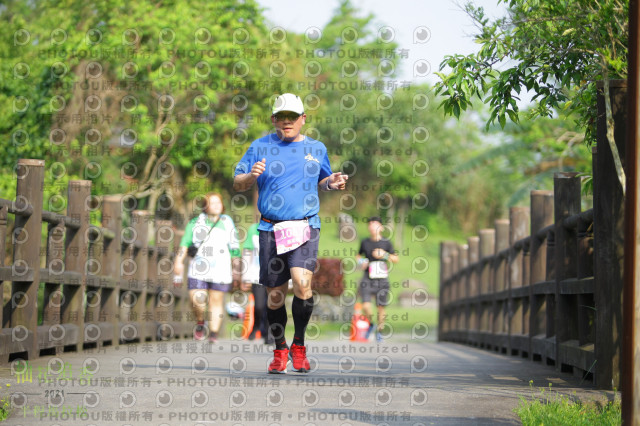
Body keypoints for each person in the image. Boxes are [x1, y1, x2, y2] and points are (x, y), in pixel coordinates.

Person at [233, 93, 348, 373]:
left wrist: (333, 182)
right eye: (281, 117)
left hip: (305, 225)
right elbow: (238, 182)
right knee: (275, 295)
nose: (287, 122)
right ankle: (279, 348)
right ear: (274, 119)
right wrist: (251, 176)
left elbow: (324, 180)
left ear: (302, 119)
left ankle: (299, 345)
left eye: (292, 117)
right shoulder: (259, 147)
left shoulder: (316, 147)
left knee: (302, 283)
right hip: (270, 228)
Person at [173, 193, 241, 343]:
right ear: (205, 206)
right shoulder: (195, 222)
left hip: (221, 269)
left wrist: (237, 267)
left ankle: (213, 333)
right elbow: (184, 243)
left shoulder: (227, 222)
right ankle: (200, 321)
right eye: (212, 202)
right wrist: (178, 261)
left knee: (216, 301)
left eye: (219, 202)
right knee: (197, 299)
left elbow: (235, 247)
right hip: (198, 268)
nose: (216, 205)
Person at [356, 216, 399, 342]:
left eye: (374, 224)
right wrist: (362, 261)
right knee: (365, 306)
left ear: (380, 227)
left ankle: (380, 332)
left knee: (381, 307)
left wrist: (384, 254)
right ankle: (371, 324)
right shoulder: (365, 242)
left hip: (382, 279)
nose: (371, 226)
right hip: (367, 278)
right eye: (369, 224)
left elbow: (396, 259)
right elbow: (358, 256)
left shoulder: (386, 243)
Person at [241, 222, 273, 344]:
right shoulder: (254, 228)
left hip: (275, 275)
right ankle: (256, 326)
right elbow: (247, 252)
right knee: (259, 305)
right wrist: (245, 275)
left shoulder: (282, 227)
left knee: (272, 304)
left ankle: (269, 333)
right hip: (257, 274)